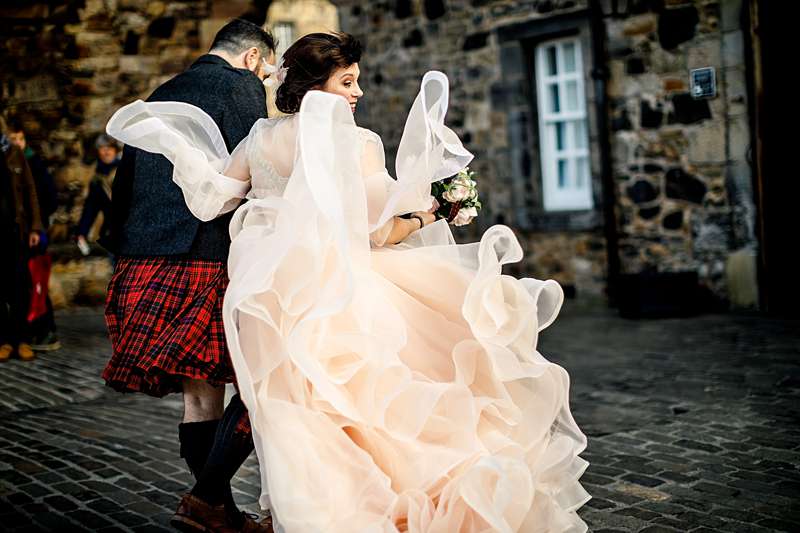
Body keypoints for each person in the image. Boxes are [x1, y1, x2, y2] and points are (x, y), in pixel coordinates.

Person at [107, 32, 589, 532]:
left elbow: (213, 201)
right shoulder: (358, 142)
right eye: (348, 82)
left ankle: (249, 507)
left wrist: (184, 150)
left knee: (275, 400)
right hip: (331, 284)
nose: (358, 93)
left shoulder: (259, 137)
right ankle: (311, 508)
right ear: (317, 87)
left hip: (259, 286)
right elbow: (378, 232)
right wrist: (428, 214)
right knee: (352, 400)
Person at [101, 19, 277, 532]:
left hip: (143, 257)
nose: (265, 79)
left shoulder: (163, 90)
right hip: (206, 259)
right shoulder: (241, 87)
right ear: (252, 59)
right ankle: (208, 499)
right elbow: (258, 168)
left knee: (199, 395)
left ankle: (215, 511)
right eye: (266, 70)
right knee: (263, 376)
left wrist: (125, 248)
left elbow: (125, 182)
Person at [5, 118, 60, 351]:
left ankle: (45, 330)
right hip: (18, 230)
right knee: (22, 282)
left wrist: (38, 225)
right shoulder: (9, 159)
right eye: (13, 139)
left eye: (20, 138)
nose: (17, 142)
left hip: (32, 230)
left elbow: (43, 197)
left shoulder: (31, 162)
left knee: (35, 280)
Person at [0, 121, 43, 362]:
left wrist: (36, 227)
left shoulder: (14, 152)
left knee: (19, 288)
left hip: (16, 232)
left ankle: (22, 340)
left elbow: (30, 191)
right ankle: (4, 341)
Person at [75, 134, 119, 257]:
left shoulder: (127, 170)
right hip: (112, 233)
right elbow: (91, 207)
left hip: (133, 230)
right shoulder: (96, 178)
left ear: (115, 150)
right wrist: (82, 232)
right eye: (102, 148)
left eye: (109, 148)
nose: (106, 152)